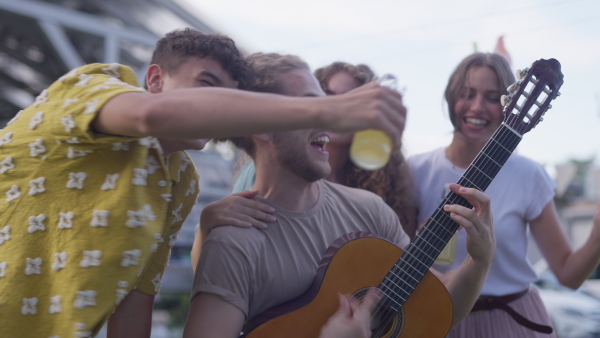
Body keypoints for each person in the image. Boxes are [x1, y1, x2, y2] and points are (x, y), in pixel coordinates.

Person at [0, 27, 411, 337]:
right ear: (155, 79)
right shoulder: (93, 83)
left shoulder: (180, 181)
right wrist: (328, 112)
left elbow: (135, 301)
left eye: (232, 101)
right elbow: (150, 117)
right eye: (208, 86)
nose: (222, 113)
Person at [183, 52, 496, 337]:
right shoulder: (234, 242)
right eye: (313, 106)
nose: (331, 119)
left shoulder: (371, 211)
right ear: (263, 126)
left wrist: (479, 260)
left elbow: (435, 308)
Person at [407, 52, 600, 337]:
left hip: (511, 322)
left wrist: (596, 235)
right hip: (434, 320)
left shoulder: (528, 175)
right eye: (467, 93)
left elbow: (567, 275)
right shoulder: (415, 169)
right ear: (450, 97)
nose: (476, 107)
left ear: (510, 100)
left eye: (491, 97)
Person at [189, 62, 417, 269]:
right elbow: (221, 263)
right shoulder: (272, 172)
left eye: (351, 99)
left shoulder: (378, 192)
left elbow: (397, 267)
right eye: (329, 97)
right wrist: (206, 226)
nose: (340, 107)